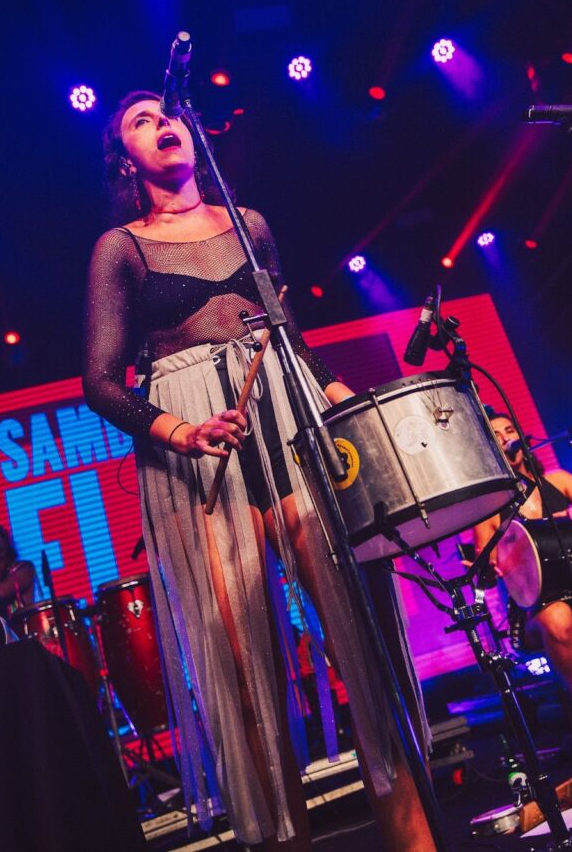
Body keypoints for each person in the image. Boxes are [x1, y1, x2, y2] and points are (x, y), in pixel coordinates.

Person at [83, 91, 434, 851]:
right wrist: (180, 430)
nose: (160, 123)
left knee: (360, 643)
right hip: (197, 441)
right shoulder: (122, 247)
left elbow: (294, 340)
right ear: (123, 158)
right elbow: (101, 382)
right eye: (139, 121)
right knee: (248, 673)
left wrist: (360, 408)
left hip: (284, 408)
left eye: (165, 112)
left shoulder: (253, 225)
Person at [473, 414, 572, 769]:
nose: (507, 438)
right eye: (496, 434)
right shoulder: (486, 506)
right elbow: (482, 572)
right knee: (558, 617)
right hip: (536, 612)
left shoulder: (558, 480)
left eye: (510, 430)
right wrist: (490, 564)